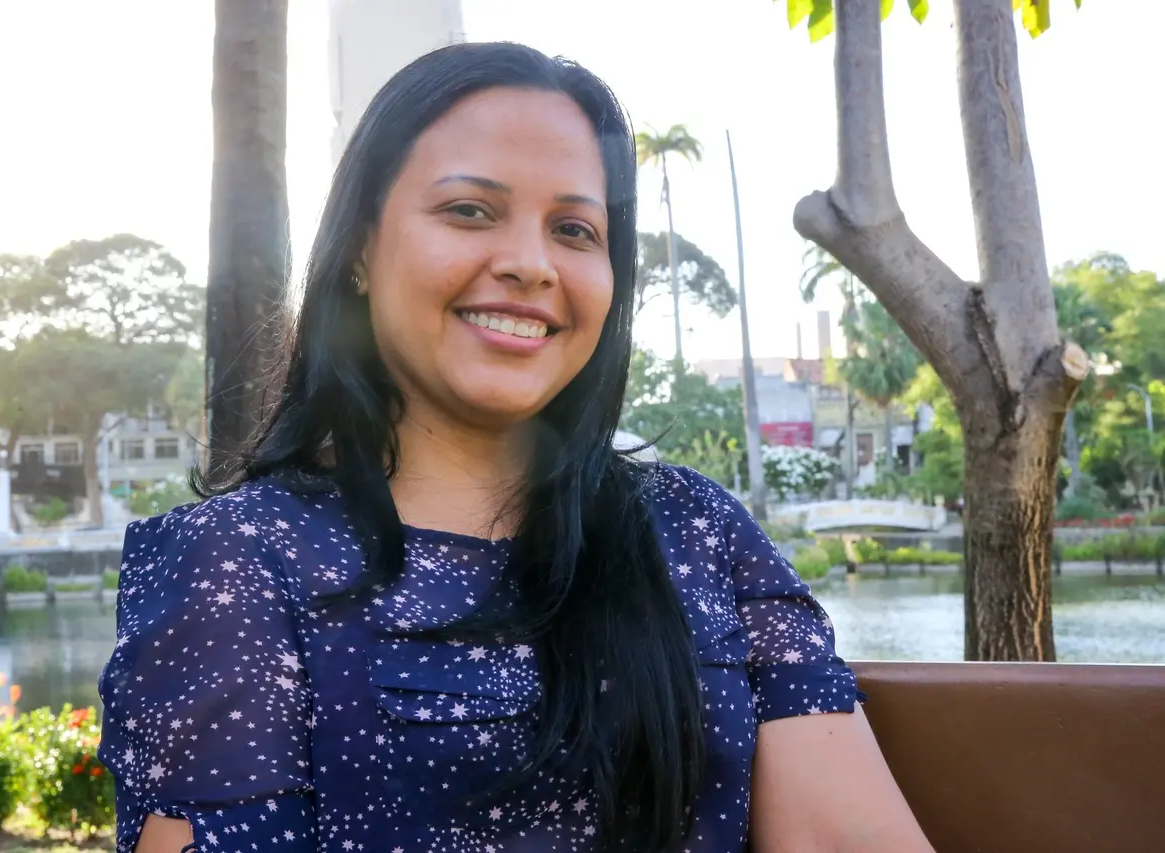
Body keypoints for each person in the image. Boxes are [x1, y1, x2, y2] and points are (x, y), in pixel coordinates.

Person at [98, 41, 934, 853]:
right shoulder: (241, 558)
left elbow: (845, 832)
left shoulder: (696, 528)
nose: (531, 265)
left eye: (575, 230)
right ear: (359, 250)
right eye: (469, 210)